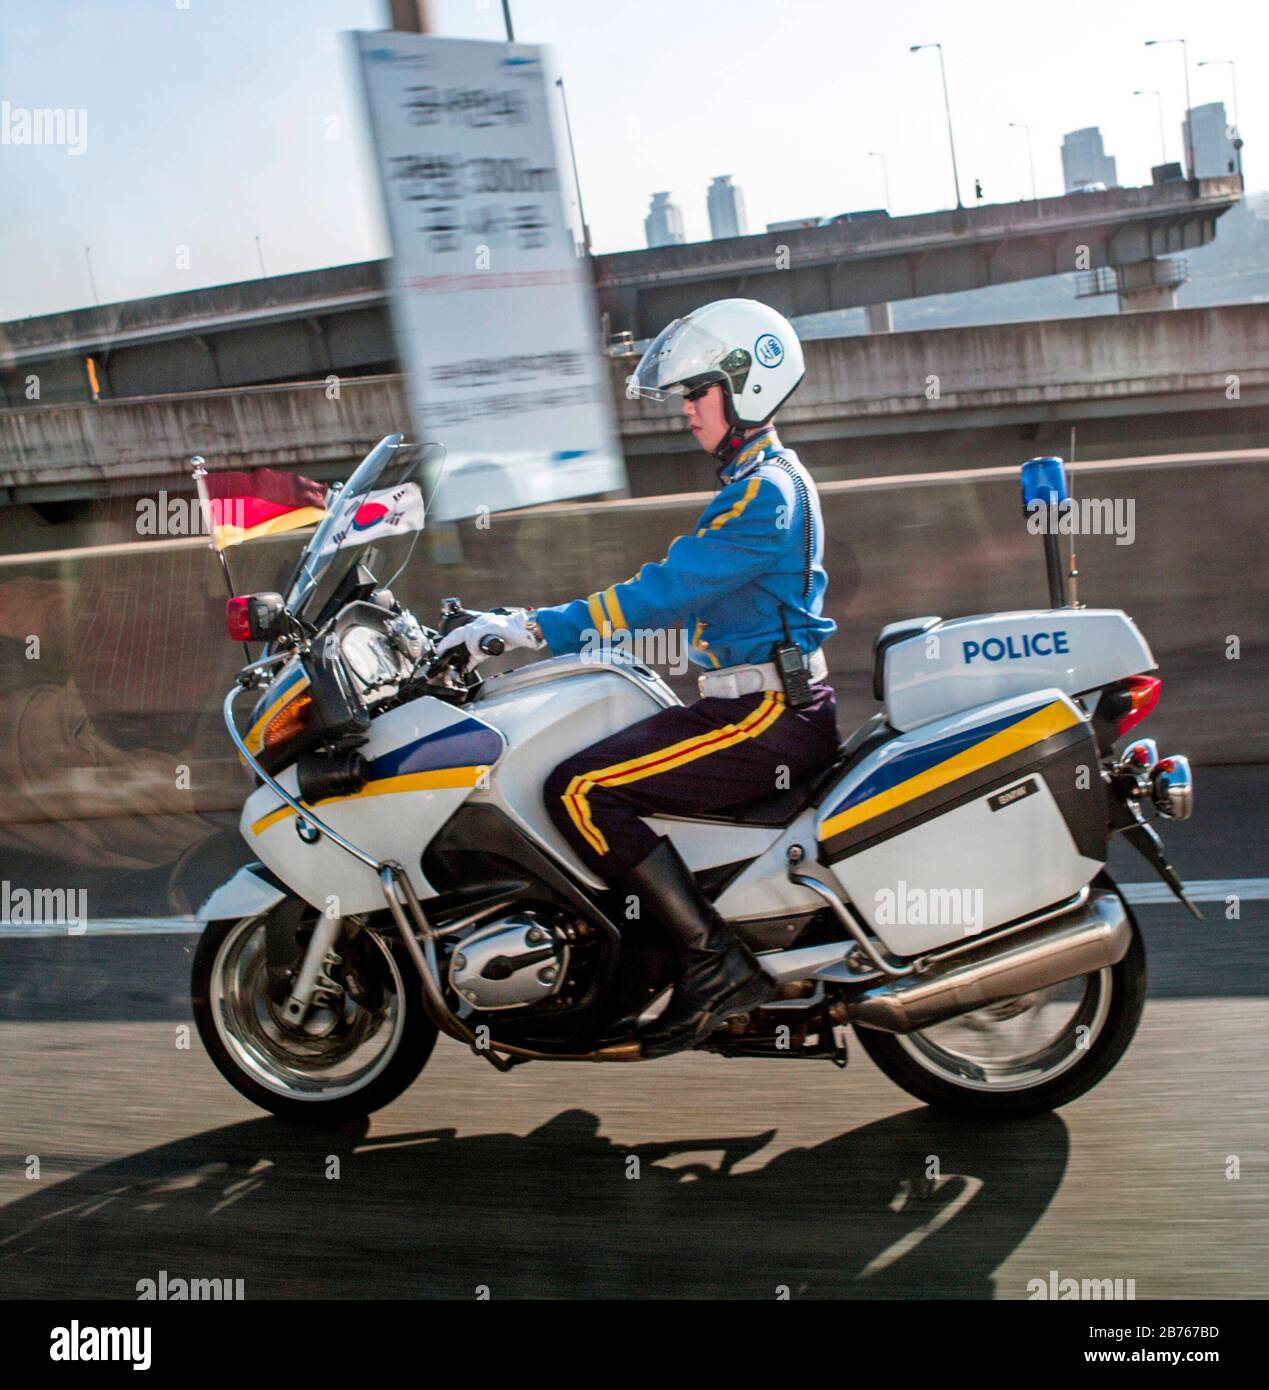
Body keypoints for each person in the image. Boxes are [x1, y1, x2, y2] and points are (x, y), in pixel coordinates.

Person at [435, 299, 839, 1056]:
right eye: (683, 396)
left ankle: (714, 964)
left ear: (745, 387)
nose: (685, 410)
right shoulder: (757, 481)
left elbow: (661, 591)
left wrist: (528, 630)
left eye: (697, 393)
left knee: (579, 790)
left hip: (765, 716)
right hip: (755, 701)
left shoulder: (765, 494)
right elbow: (669, 602)